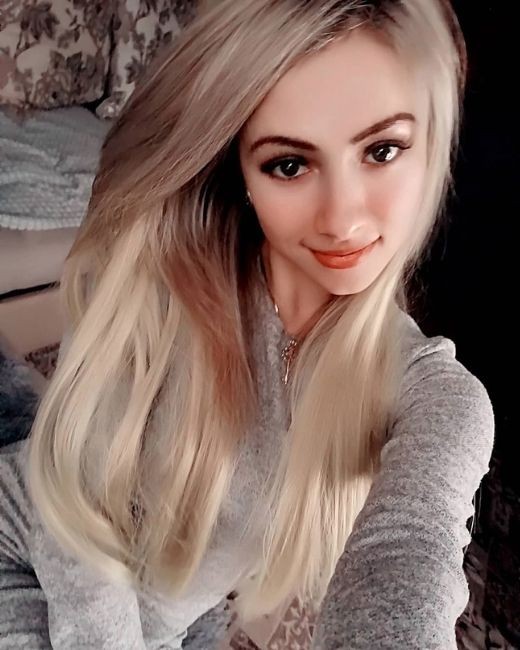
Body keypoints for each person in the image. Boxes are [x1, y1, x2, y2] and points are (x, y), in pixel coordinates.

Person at [0, 0, 495, 648]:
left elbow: (407, 556)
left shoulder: (436, 396)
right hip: (29, 553)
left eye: (382, 150)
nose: (343, 218)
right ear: (241, 170)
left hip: (177, 614)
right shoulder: (164, 280)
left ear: (431, 148)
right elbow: (72, 514)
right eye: (289, 164)